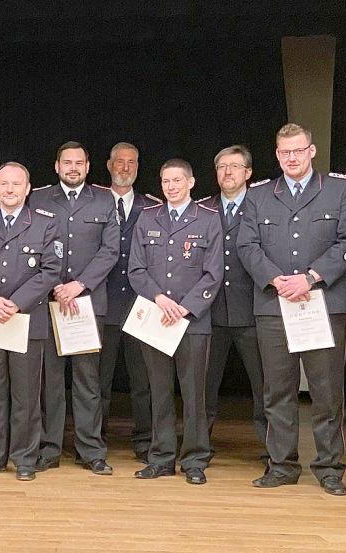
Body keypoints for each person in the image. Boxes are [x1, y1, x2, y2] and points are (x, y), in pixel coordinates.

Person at [237, 123, 346, 496]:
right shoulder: (259, 196)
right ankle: (282, 465)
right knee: (277, 391)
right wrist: (276, 279)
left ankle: (330, 467)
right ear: (277, 154)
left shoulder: (339, 189)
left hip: (323, 302)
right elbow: (247, 246)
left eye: (298, 151)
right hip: (274, 304)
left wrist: (312, 277)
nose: (291, 158)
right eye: (285, 152)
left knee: (326, 391)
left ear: (311, 151)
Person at [0, 161, 61, 481]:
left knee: (26, 393)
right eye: (4, 184)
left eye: (16, 184)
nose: (9, 189)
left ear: (28, 188)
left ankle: (25, 458)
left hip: (26, 319)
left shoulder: (45, 223)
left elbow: (51, 271)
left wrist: (16, 303)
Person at [128, 158, 223, 485]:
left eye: (177, 180)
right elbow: (136, 270)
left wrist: (185, 307)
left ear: (191, 182)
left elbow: (214, 274)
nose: (171, 186)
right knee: (159, 390)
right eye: (166, 181)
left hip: (192, 322)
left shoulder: (209, 220)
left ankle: (195, 459)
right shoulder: (147, 217)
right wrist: (160, 299)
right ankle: (161, 457)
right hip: (156, 318)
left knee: (194, 393)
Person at [28, 141, 118, 475]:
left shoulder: (105, 199)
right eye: (67, 162)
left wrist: (79, 286)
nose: (73, 168)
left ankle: (90, 450)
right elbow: (32, 245)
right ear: (56, 166)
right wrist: (52, 285)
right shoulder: (37, 198)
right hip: (48, 302)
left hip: (85, 303)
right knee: (49, 381)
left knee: (87, 381)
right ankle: (49, 448)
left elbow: (110, 252)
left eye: (79, 162)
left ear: (88, 165)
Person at [197, 145, 267, 462]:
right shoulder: (202, 210)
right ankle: (198, 450)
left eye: (235, 166)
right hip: (209, 313)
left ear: (248, 173)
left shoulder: (263, 207)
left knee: (265, 388)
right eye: (222, 166)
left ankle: (275, 454)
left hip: (252, 311)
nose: (228, 172)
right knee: (202, 389)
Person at [97, 142, 158, 462]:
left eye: (131, 163)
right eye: (119, 162)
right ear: (108, 165)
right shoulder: (93, 203)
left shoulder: (152, 207)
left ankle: (145, 442)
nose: (124, 168)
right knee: (98, 380)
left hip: (141, 307)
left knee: (143, 380)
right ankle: (95, 442)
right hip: (102, 306)